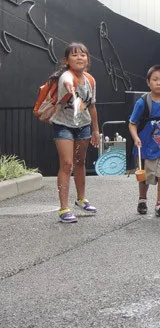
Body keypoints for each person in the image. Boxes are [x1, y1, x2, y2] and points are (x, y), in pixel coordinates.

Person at [50, 43, 99, 223]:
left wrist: (95, 130)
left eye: (83, 55)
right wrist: (70, 86)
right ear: (67, 60)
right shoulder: (66, 76)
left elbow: (92, 106)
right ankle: (64, 208)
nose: (79, 58)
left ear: (88, 59)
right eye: (74, 55)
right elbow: (66, 81)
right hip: (63, 124)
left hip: (83, 124)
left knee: (80, 161)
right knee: (67, 162)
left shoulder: (90, 80)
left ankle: (81, 199)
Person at [128, 65, 160, 217]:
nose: (158, 83)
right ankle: (142, 200)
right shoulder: (142, 102)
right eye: (155, 79)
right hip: (145, 146)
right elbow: (132, 123)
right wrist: (135, 138)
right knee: (145, 176)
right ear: (148, 82)